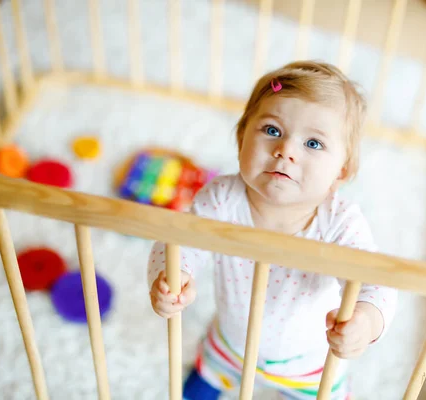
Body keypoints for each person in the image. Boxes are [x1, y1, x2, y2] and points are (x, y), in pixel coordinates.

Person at [147, 60, 398, 399]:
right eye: (272, 130)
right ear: (241, 140)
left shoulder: (339, 222)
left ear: (341, 171)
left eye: (313, 144)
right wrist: (171, 276)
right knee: (194, 389)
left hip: (309, 365)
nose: (285, 151)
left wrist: (366, 322)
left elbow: (376, 282)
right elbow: (179, 239)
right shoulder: (223, 198)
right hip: (229, 345)